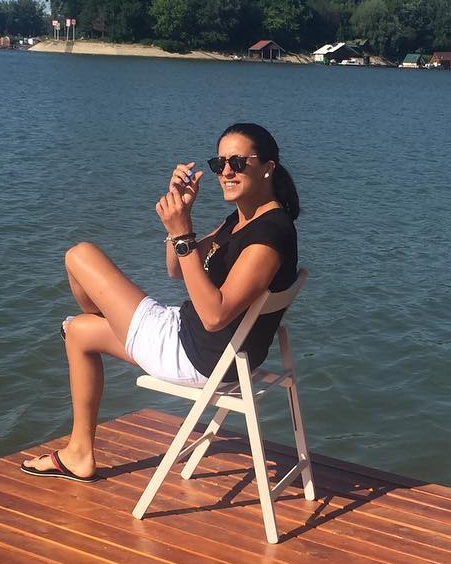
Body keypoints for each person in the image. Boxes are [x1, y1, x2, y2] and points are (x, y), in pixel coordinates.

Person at [21, 122, 300, 482]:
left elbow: (214, 316)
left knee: (79, 255)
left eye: (237, 162)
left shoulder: (268, 235)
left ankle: (113, 325)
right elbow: (175, 269)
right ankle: (79, 454)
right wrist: (182, 219)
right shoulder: (243, 219)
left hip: (198, 355)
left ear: (267, 167)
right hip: (203, 342)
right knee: (78, 331)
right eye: (219, 164)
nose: (226, 172)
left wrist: (182, 234)